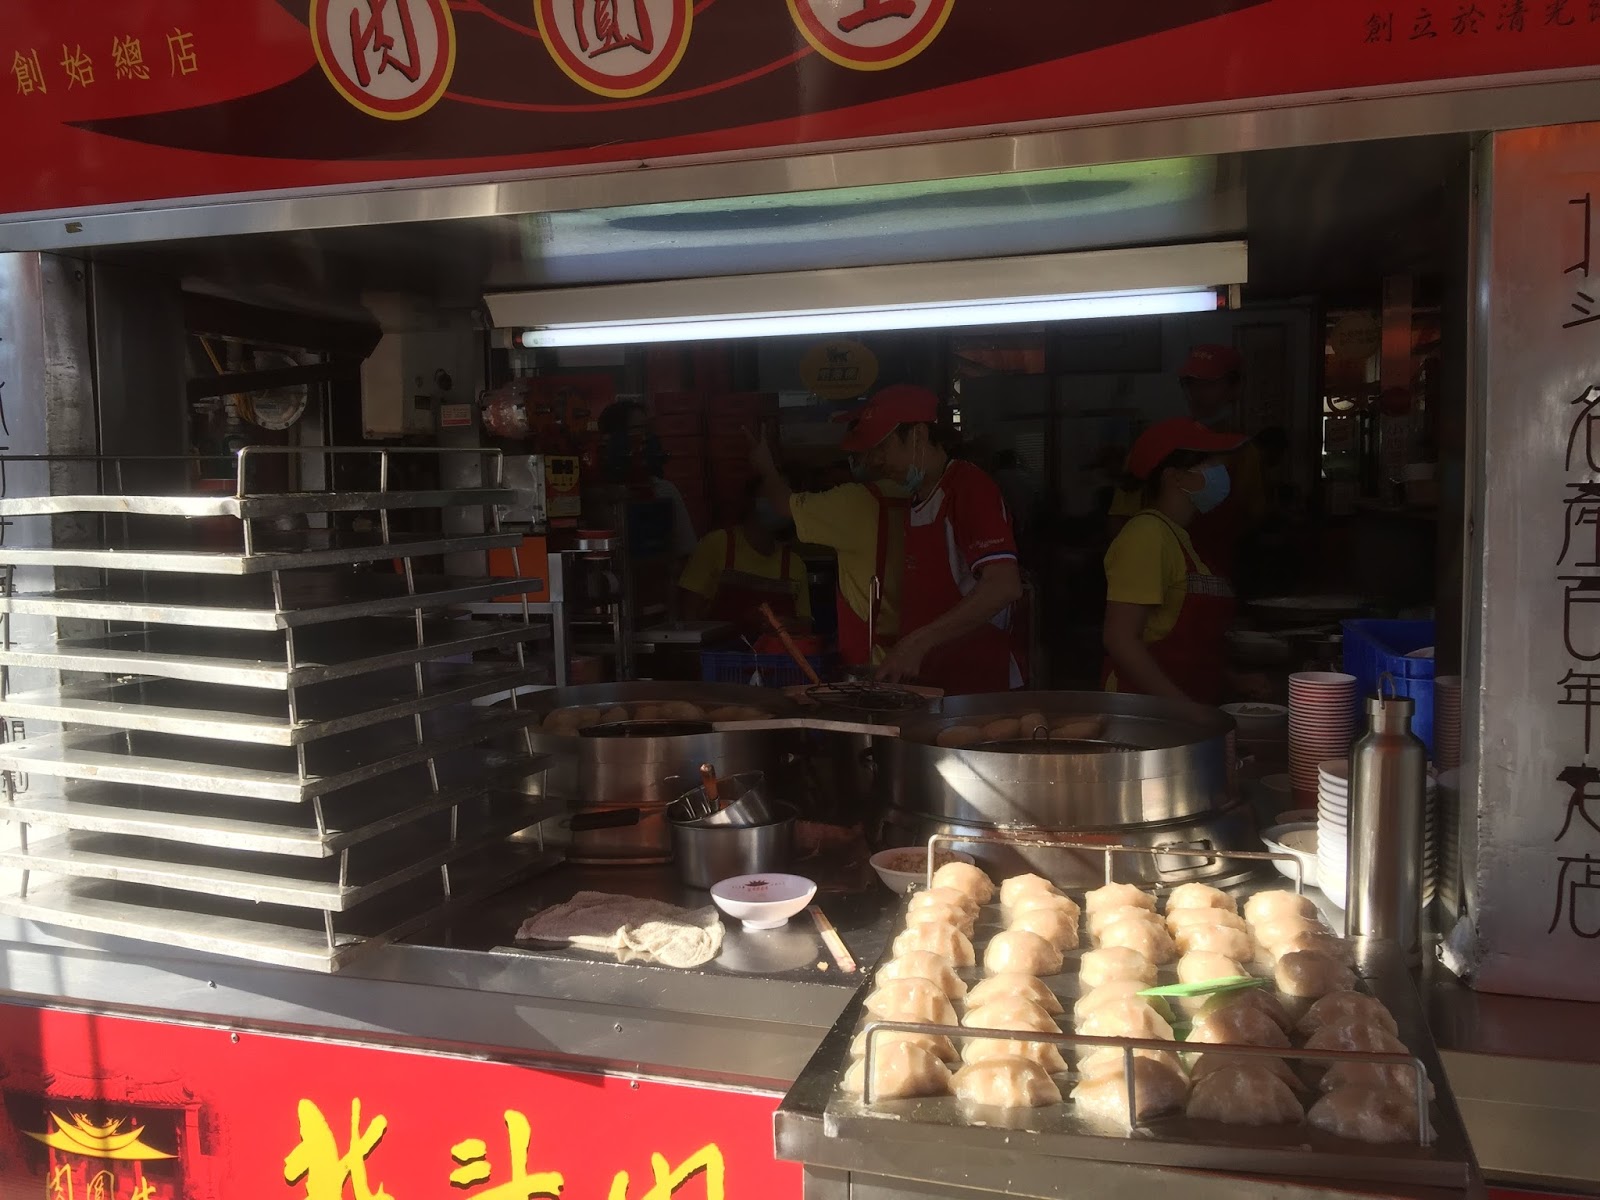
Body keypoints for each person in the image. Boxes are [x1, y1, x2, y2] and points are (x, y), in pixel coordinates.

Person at [840, 384, 1024, 694]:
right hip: (935, 683)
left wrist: (917, 643)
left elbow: (1004, 586)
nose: (875, 461)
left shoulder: (968, 488)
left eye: (882, 448)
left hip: (978, 686)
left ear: (918, 436)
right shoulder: (919, 498)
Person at [1101, 417, 1248, 705]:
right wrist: (1186, 710)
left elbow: (1190, 644)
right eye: (1210, 464)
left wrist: (1232, 679)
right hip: (1146, 715)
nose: (1222, 472)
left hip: (1185, 709)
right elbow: (1120, 639)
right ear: (1175, 477)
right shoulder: (1146, 535)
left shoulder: (1180, 537)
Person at [749, 428, 907, 670]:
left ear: (876, 454)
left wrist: (766, 466)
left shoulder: (856, 501)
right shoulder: (913, 494)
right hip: (912, 654)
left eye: (856, 455)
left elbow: (783, 505)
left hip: (873, 660)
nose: (854, 463)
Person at [1107, 345, 1264, 580]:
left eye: (1209, 384)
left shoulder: (1245, 453)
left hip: (1217, 581)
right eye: (1191, 384)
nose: (1197, 393)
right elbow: (1120, 520)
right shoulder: (1154, 443)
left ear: (1236, 387)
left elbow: (1252, 521)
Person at [677, 479, 811, 635]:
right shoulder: (716, 544)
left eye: (786, 498)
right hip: (721, 649)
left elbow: (806, 627)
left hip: (774, 651)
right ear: (752, 501)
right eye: (773, 495)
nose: (781, 502)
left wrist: (791, 626)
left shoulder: (794, 564)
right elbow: (688, 617)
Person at [597, 399, 698, 562]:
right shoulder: (596, 497)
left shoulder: (664, 490)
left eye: (647, 429)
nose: (645, 438)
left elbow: (686, 550)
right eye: (637, 429)